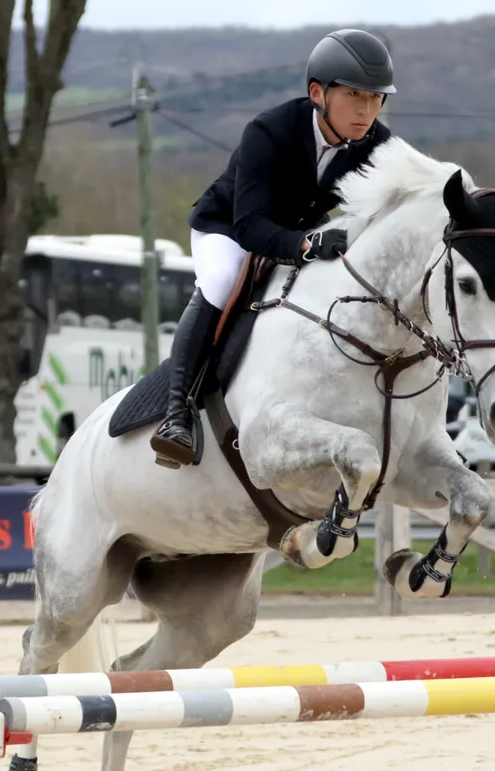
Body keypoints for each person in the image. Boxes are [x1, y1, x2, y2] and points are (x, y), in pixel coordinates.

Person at [150, 28, 397, 467]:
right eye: (355, 95)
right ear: (318, 93)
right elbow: (249, 226)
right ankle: (178, 414)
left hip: (301, 233)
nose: (367, 110)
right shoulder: (269, 130)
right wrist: (306, 243)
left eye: (376, 98)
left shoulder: (377, 144)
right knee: (224, 281)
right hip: (228, 228)